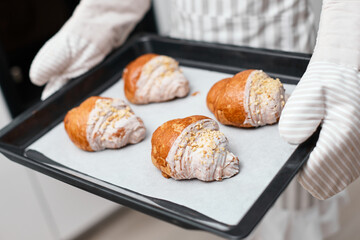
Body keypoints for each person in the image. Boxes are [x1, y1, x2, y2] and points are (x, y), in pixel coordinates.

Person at [29, 0, 360, 239]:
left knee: (294, 204)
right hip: (192, 46)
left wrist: (343, 48)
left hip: (279, 49)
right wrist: (100, 17)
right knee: (231, 213)